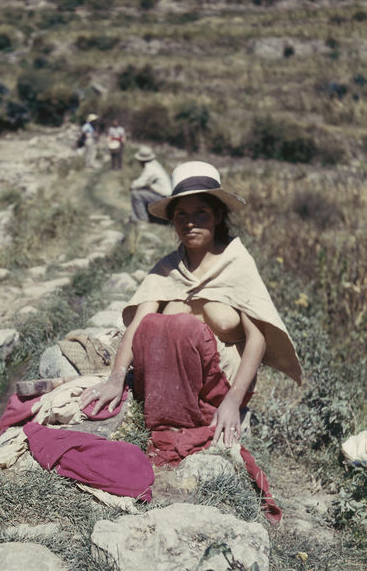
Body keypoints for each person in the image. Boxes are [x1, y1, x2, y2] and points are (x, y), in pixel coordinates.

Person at [80, 160, 302, 457]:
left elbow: (257, 338)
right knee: (156, 323)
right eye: (181, 214)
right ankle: (168, 416)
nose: (190, 222)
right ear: (172, 220)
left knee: (181, 325)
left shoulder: (237, 264)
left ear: (218, 215)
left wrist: (233, 401)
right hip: (166, 384)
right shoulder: (167, 268)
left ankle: (194, 417)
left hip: (222, 385)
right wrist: (116, 377)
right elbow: (137, 327)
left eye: (201, 212)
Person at [129, 146, 171, 222]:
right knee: (141, 192)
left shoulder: (150, 168)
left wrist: (132, 185)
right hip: (164, 196)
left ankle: (142, 220)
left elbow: (139, 183)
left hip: (163, 198)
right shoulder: (155, 164)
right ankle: (135, 218)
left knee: (135, 194)